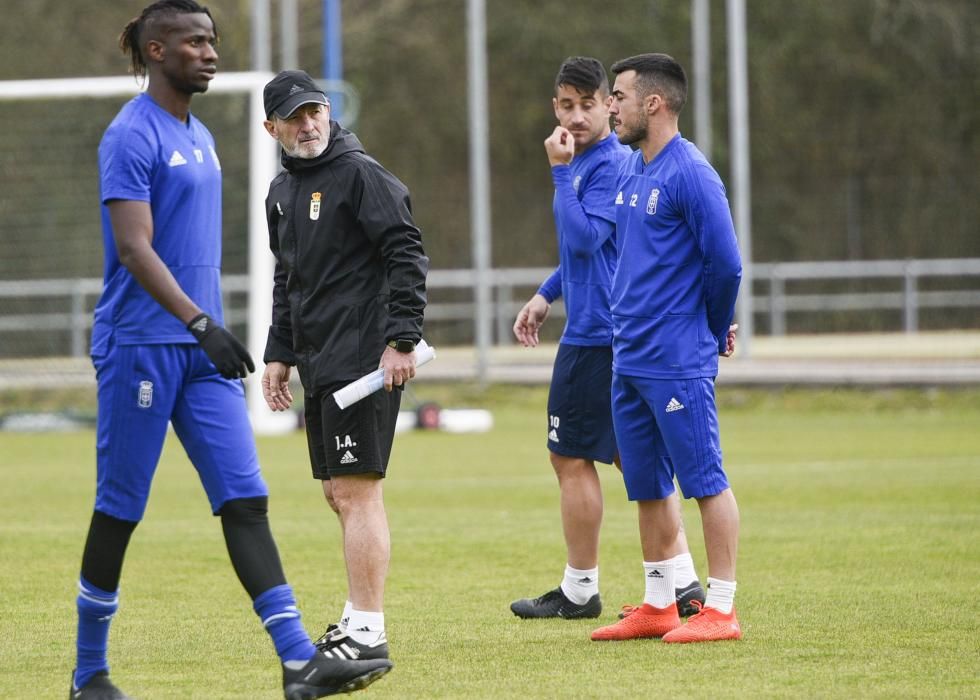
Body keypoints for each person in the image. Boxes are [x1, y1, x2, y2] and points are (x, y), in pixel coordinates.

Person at [70, 3, 392, 698]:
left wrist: (210, 331)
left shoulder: (203, 133)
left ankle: (299, 661)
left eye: (213, 40)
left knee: (246, 499)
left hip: (202, 355)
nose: (210, 52)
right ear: (156, 51)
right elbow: (133, 247)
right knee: (120, 508)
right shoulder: (130, 135)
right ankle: (88, 673)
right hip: (143, 348)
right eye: (194, 41)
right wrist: (197, 323)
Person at [509, 57, 705, 621]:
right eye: (566, 106)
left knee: (570, 454)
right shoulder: (600, 161)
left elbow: (588, 235)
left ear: (608, 105)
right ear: (555, 106)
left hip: (600, 335)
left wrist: (559, 173)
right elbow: (585, 252)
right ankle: (685, 584)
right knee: (631, 458)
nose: (576, 116)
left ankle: (580, 589)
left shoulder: (602, 165)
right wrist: (548, 293)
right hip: (604, 329)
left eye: (588, 104)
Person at [259, 70, 428, 666]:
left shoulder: (360, 174)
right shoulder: (281, 192)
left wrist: (403, 338)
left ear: (329, 113)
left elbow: (406, 250)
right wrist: (279, 351)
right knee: (337, 492)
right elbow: (289, 279)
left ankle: (368, 630)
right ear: (271, 126)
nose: (309, 125)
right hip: (318, 361)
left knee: (358, 493)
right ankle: (358, 618)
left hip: (364, 359)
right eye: (295, 116)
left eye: (316, 112)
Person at [589, 53, 743, 644]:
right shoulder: (630, 168)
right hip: (628, 357)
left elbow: (726, 265)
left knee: (705, 480)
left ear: (652, 103)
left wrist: (710, 325)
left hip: (677, 359)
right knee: (648, 484)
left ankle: (722, 609)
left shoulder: (692, 173)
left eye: (618, 96)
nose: (611, 106)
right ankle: (659, 603)